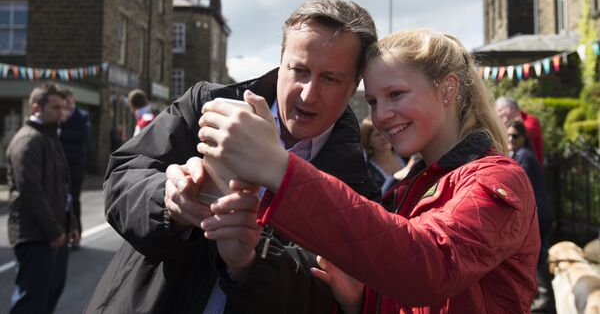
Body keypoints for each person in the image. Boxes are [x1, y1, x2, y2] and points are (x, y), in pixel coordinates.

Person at [198, 29, 541, 313]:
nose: (382, 115)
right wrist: (361, 301)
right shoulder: (407, 190)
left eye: (396, 94)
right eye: (375, 101)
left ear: (448, 88)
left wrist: (280, 169)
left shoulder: (496, 177)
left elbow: (433, 267)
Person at [86, 0, 380, 313]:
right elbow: (122, 176)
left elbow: (326, 295)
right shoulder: (206, 104)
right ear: (281, 60)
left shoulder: (360, 191)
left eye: (330, 78)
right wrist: (168, 202)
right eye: (299, 70)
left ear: (354, 86)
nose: (308, 93)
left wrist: (250, 260)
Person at [6, 84, 79, 314]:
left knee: (48, 299)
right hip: (35, 236)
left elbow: (64, 189)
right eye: (55, 107)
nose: (62, 113)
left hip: (54, 234)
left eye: (64, 108)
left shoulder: (49, 137)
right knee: (30, 302)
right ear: (36, 107)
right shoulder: (27, 140)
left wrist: (71, 224)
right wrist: (54, 231)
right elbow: (31, 191)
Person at [507, 121, 556, 313]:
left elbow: (518, 186)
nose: (511, 139)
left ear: (523, 138)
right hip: (538, 213)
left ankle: (545, 298)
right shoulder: (520, 155)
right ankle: (543, 297)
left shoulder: (524, 157)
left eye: (515, 136)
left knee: (538, 256)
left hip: (540, 215)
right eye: (509, 135)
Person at [59, 87, 91, 247]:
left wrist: (62, 133)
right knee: (60, 198)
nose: (68, 103)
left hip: (76, 164)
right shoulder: (59, 116)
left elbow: (83, 136)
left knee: (74, 199)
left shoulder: (82, 116)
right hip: (59, 164)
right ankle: (62, 233)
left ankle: (76, 233)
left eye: (70, 99)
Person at [496, 96, 544, 168]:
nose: (498, 114)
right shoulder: (506, 125)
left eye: (500, 110)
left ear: (511, 109)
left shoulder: (531, 120)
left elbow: (523, 133)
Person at [360, 118, 405, 194]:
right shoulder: (366, 171)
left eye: (386, 132)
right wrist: (395, 178)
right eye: (377, 135)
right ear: (368, 140)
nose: (384, 137)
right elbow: (378, 198)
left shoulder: (406, 155)